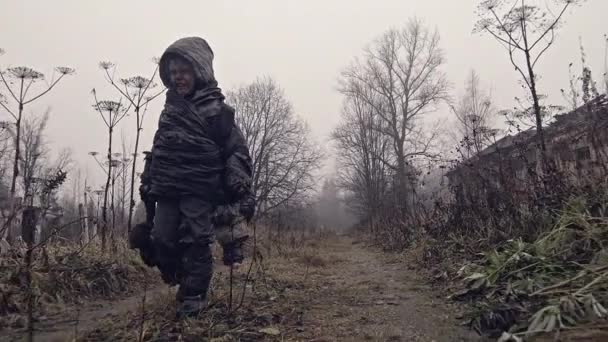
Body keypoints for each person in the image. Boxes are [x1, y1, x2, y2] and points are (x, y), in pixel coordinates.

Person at [131, 37, 255, 318]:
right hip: (167, 188)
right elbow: (161, 145)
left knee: (198, 240)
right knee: (161, 238)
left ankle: (194, 296)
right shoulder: (170, 109)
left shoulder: (217, 111)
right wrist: (150, 177)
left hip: (200, 188)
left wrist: (236, 177)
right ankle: (179, 276)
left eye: (183, 72)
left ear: (199, 71)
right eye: (173, 73)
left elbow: (236, 148)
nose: (178, 78)